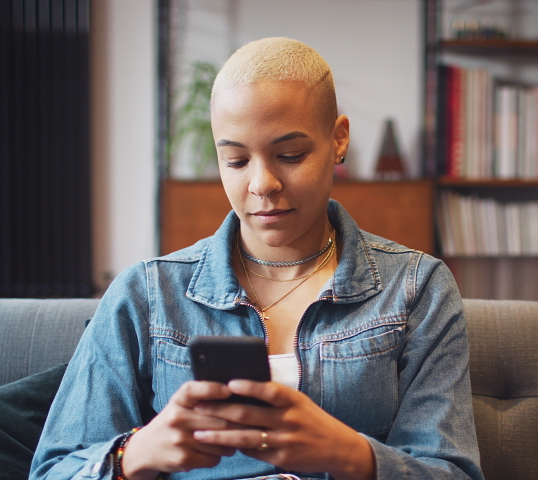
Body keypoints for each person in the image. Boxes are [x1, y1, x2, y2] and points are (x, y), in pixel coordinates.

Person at [30, 37, 483, 480]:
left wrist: (349, 454)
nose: (262, 183)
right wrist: (138, 453)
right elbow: (54, 470)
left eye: (290, 155)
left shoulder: (415, 287)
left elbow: (452, 471)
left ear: (339, 139)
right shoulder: (146, 295)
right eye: (236, 160)